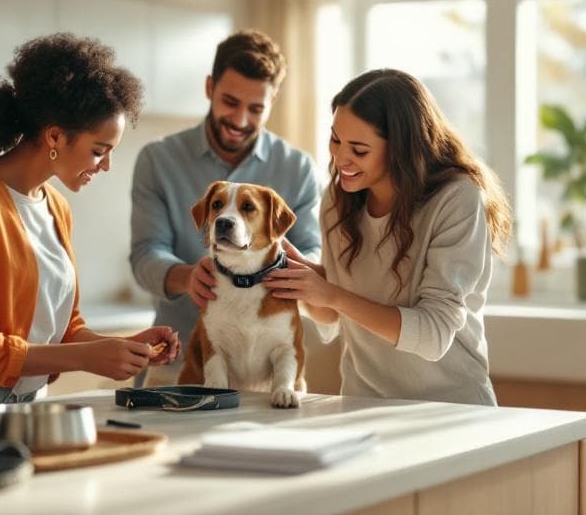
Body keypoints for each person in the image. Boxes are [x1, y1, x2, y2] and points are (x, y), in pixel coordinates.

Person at [0, 34, 180, 413]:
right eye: (99, 151)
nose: (106, 166)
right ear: (54, 136)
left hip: (28, 403)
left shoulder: (56, 207)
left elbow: (61, 329)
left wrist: (122, 348)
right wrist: (84, 358)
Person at [264, 69, 513, 405]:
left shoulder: (456, 199)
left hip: (451, 408)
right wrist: (298, 279)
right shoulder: (338, 201)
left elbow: (433, 335)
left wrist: (332, 293)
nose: (340, 158)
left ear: (400, 148)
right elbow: (333, 316)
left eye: (359, 149)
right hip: (362, 404)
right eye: (335, 140)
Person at [130, 30, 322, 386]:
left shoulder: (298, 168)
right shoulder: (158, 160)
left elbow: (312, 251)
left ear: (273, 100)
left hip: (269, 375)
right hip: (180, 365)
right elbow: (145, 256)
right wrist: (187, 276)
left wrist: (277, 267)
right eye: (230, 101)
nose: (240, 120)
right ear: (209, 88)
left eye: (256, 108)